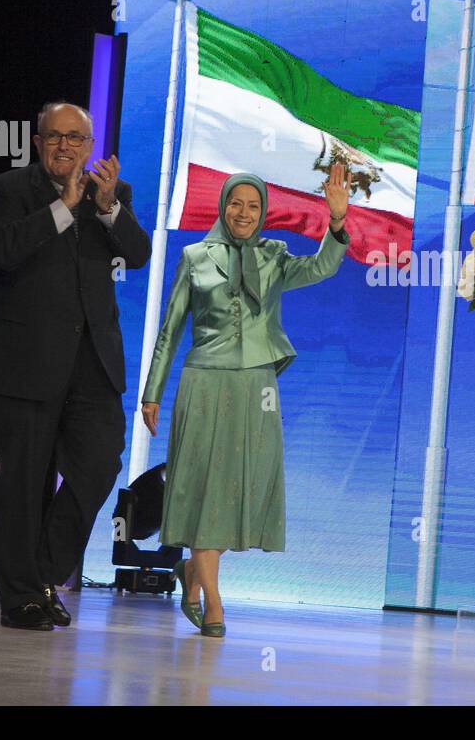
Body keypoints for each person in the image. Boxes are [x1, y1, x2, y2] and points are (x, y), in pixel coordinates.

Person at [139, 167, 349, 636]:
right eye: (237, 203)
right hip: (204, 382)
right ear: (223, 205)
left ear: (263, 213)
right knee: (203, 488)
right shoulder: (195, 256)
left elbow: (321, 268)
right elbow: (170, 331)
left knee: (243, 489)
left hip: (257, 387)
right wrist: (152, 393)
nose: (244, 213)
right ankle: (213, 602)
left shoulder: (273, 257)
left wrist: (336, 223)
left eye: (254, 206)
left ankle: (194, 572)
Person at [0, 101, 151, 630]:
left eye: (75, 139)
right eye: (54, 137)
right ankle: (23, 598)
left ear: (89, 147)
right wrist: (61, 209)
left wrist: (104, 208)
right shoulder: (8, 190)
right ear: (37, 142)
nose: (64, 147)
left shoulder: (111, 194)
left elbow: (139, 253)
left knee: (99, 465)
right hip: (25, 365)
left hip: (91, 367)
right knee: (24, 486)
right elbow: (2, 251)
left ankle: (44, 571)